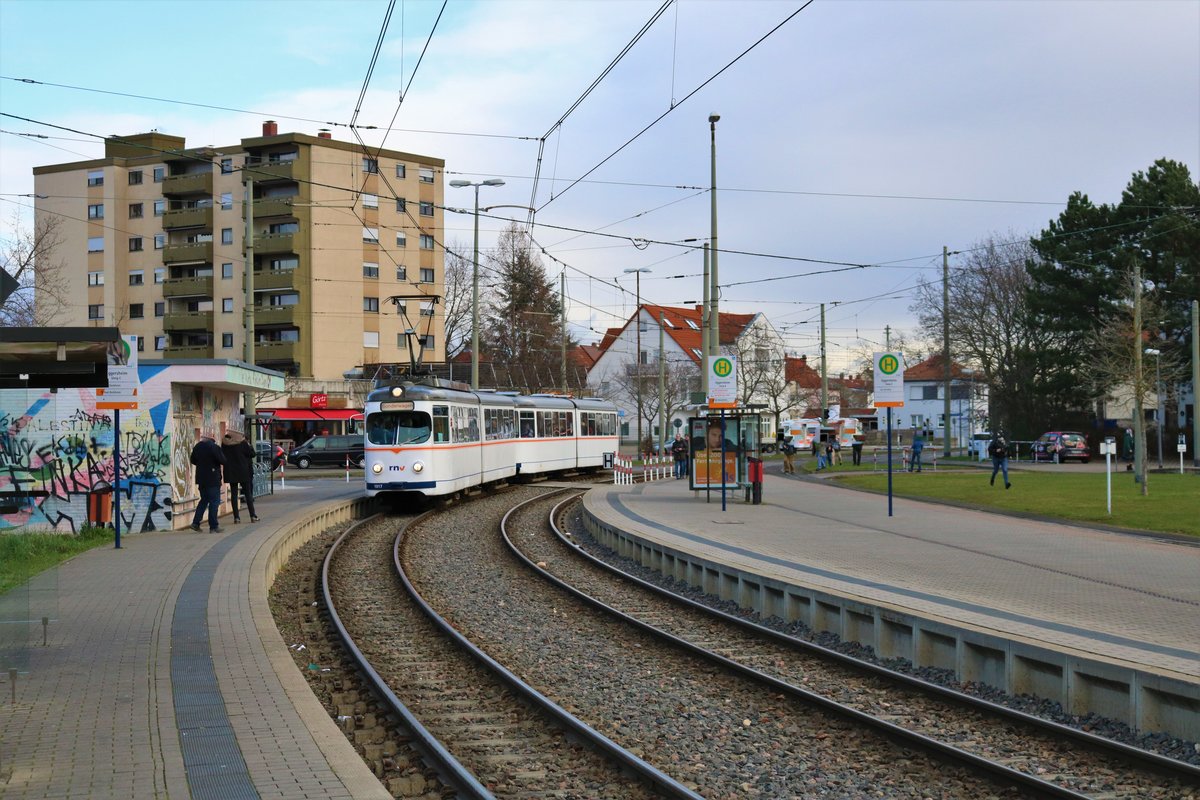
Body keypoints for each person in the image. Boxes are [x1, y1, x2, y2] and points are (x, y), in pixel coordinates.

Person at [190, 430, 226, 533]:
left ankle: (195, 523)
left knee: (204, 500)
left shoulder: (197, 447)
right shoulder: (214, 447)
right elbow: (223, 460)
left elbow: (193, 460)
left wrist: (202, 465)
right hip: (213, 478)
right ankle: (214, 526)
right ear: (212, 437)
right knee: (214, 502)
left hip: (201, 479)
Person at [221, 429, 258, 523]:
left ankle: (236, 517)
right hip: (243, 471)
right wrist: (249, 445)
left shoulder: (225, 444)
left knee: (234, 494)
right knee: (248, 494)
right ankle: (253, 516)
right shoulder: (242, 443)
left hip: (230, 472)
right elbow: (252, 454)